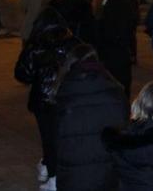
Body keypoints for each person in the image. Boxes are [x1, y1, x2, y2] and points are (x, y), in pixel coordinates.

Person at [15, 8, 81, 188]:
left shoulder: (35, 45)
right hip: (67, 98)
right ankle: (54, 171)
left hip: (43, 100)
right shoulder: (73, 44)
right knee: (64, 137)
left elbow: (22, 74)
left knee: (48, 138)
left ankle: (52, 174)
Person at [53, 43, 128, 191]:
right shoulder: (117, 93)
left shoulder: (62, 94)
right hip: (108, 174)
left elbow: (56, 139)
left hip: (73, 175)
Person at [93, 0, 136, 95]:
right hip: (121, 53)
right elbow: (130, 32)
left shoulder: (99, 12)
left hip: (105, 55)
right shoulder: (123, 7)